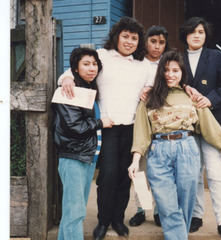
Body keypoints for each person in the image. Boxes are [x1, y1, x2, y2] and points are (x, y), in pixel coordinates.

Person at [57, 17, 150, 239]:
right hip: (106, 127)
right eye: (125, 36)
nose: (129, 41)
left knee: (125, 177)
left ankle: (118, 219)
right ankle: (103, 221)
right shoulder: (102, 55)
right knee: (107, 176)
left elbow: (157, 81)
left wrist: (148, 86)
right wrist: (66, 79)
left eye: (134, 38)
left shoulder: (143, 65)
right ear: (116, 36)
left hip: (131, 128)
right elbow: (76, 69)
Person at [128, 50, 221, 240]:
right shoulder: (149, 99)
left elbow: (209, 126)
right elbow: (142, 132)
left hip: (187, 148)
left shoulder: (191, 97)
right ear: (160, 72)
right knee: (166, 203)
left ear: (182, 73)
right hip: (158, 151)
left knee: (186, 201)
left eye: (175, 70)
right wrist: (135, 160)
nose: (170, 74)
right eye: (166, 70)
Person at [179, 17, 221, 239]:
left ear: (205, 35)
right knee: (192, 173)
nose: (196, 35)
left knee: (215, 173)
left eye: (201, 32)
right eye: (192, 32)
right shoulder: (178, 59)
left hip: (212, 123)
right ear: (185, 35)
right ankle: (196, 215)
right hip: (187, 125)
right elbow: (171, 82)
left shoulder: (217, 56)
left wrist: (210, 99)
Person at [52, 47, 110, 240]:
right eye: (86, 64)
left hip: (86, 158)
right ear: (75, 68)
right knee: (75, 213)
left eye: (94, 64)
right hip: (73, 158)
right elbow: (73, 126)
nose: (91, 68)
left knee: (74, 212)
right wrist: (102, 122)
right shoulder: (69, 90)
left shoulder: (87, 89)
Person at [129, 25, 170, 228]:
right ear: (145, 42)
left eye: (161, 42)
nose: (157, 46)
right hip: (141, 121)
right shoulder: (137, 64)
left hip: (163, 123)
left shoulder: (167, 65)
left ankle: (157, 210)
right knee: (141, 168)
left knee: (159, 170)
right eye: (153, 41)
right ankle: (141, 208)